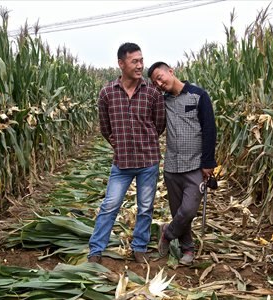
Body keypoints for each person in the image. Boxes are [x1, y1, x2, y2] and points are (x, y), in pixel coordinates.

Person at [88, 43, 166, 264]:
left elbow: (159, 124)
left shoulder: (152, 93)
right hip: (121, 162)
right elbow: (105, 127)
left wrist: (145, 140)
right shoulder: (107, 93)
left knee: (145, 207)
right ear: (121, 63)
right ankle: (96, 250)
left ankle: (139, 247)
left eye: (141, 60)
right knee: (109, 206)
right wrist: (121, 143)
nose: (140, 65)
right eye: (135, 61)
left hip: (148, 160)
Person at [147, 61, 217, 265]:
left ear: (171, 71)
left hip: (195, 165)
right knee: (178, 211)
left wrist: (208, 162)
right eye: (155, 82)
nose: (159, 83)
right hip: (171, 166)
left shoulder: (198, 95)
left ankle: (167, 234)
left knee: (188, 210)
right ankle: (188, 249)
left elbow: (210, 129)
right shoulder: (162, 101)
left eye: (160, 77)